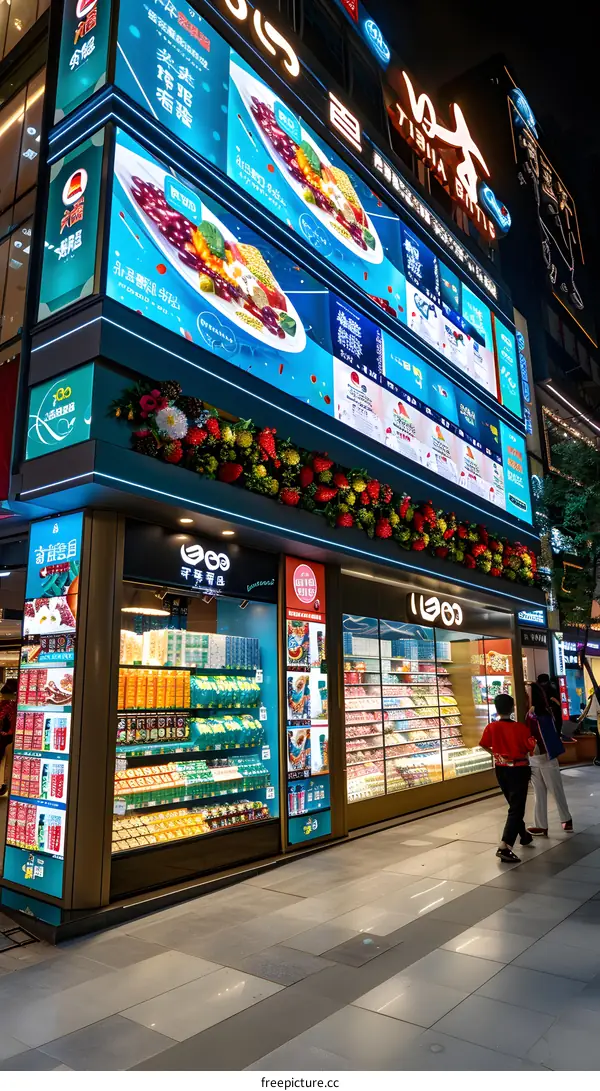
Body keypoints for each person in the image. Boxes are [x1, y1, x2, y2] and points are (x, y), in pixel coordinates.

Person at [479, 692, 536, 863]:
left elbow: (483, 744)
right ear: (512, 708)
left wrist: (496, 754)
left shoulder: (491, 727)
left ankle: (523, 834)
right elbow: (531, 747)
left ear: (496, 709)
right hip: (518, 769)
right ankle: (505, 846)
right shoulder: (520, 728)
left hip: (501, 769)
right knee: (517, 807)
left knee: (513, 804)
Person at [526, 681, 573, 835]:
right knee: (540, 792)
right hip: (537, 756)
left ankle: (565, 818)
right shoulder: (540, 712)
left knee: (554, 789)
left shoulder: (539, 714)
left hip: (545, 755)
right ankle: (541, 824)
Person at [0, 678, 17, 796]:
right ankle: (3, 783)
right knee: (5, 761)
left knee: (4, 761)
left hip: (5, 737)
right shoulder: (12, 705)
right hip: (8, 737)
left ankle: (3, 784)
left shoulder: (7, 705)